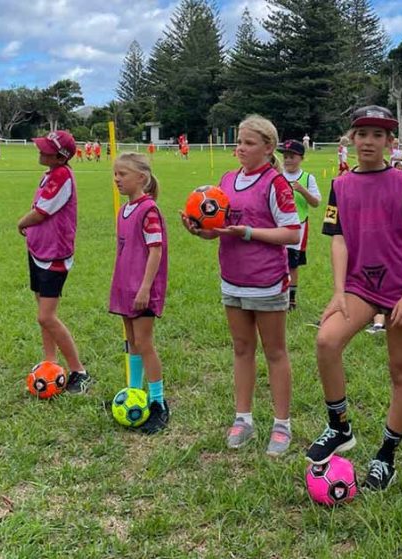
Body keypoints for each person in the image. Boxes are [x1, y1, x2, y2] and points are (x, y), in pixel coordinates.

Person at [307, 105, 402, 491]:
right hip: (360, 285)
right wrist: (338, 291)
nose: (368, 141)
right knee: (326, 341)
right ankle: (339, 427)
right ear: (351, 138)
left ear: (389, 143)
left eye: (378, 135)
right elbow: (339, 240)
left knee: (400, 370)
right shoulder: (341, 185)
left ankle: (387, 455)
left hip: (401, 287)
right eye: (362, 134)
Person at [180, 115, 300, 457]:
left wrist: (248, 232)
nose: (240, 149)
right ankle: (243, 418)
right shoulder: (226, 180)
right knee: (241, 349)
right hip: (232, 280)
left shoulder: (276, 184)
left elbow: (292, 233)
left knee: (275, 352)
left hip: (267, 282)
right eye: (239, 142)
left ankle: (281, 425)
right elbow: (219, 230)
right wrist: (199, 230)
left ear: (268, 147)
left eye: (248, 143)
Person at [17, 130, 92, 393]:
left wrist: (22, 222)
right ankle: (50, 361)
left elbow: (41, 212)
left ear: (61, 156)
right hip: (39, 249)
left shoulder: (62, 176)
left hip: (54, 254)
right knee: (42, 312)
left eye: (46, 148)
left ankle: (79, 371)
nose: (40, 150)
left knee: (46, 316)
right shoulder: (50, 173)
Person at [110, 153, 170, 433]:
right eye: (116, 174)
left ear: (142, 178)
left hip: (142, 288)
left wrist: (146, 287)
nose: (117, 179)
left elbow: (155, 250)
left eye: (123, 174)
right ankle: (135, 392)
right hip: (124, 286)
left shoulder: (149, 210)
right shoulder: (124, 210)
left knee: (144, 342)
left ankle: (158, 402)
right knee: (131, 341)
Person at [279, 139, 321, 311]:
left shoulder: (308, 178)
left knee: (292, 264)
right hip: (278, 226)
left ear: (301, 158)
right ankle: (275, 292)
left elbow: (316, 202)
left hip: (299, 227)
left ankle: (291, 298)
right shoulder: (277, 176)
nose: (288, 160)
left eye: (292, 157)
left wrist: (303, 190)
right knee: (277, 259)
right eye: (285, 157)